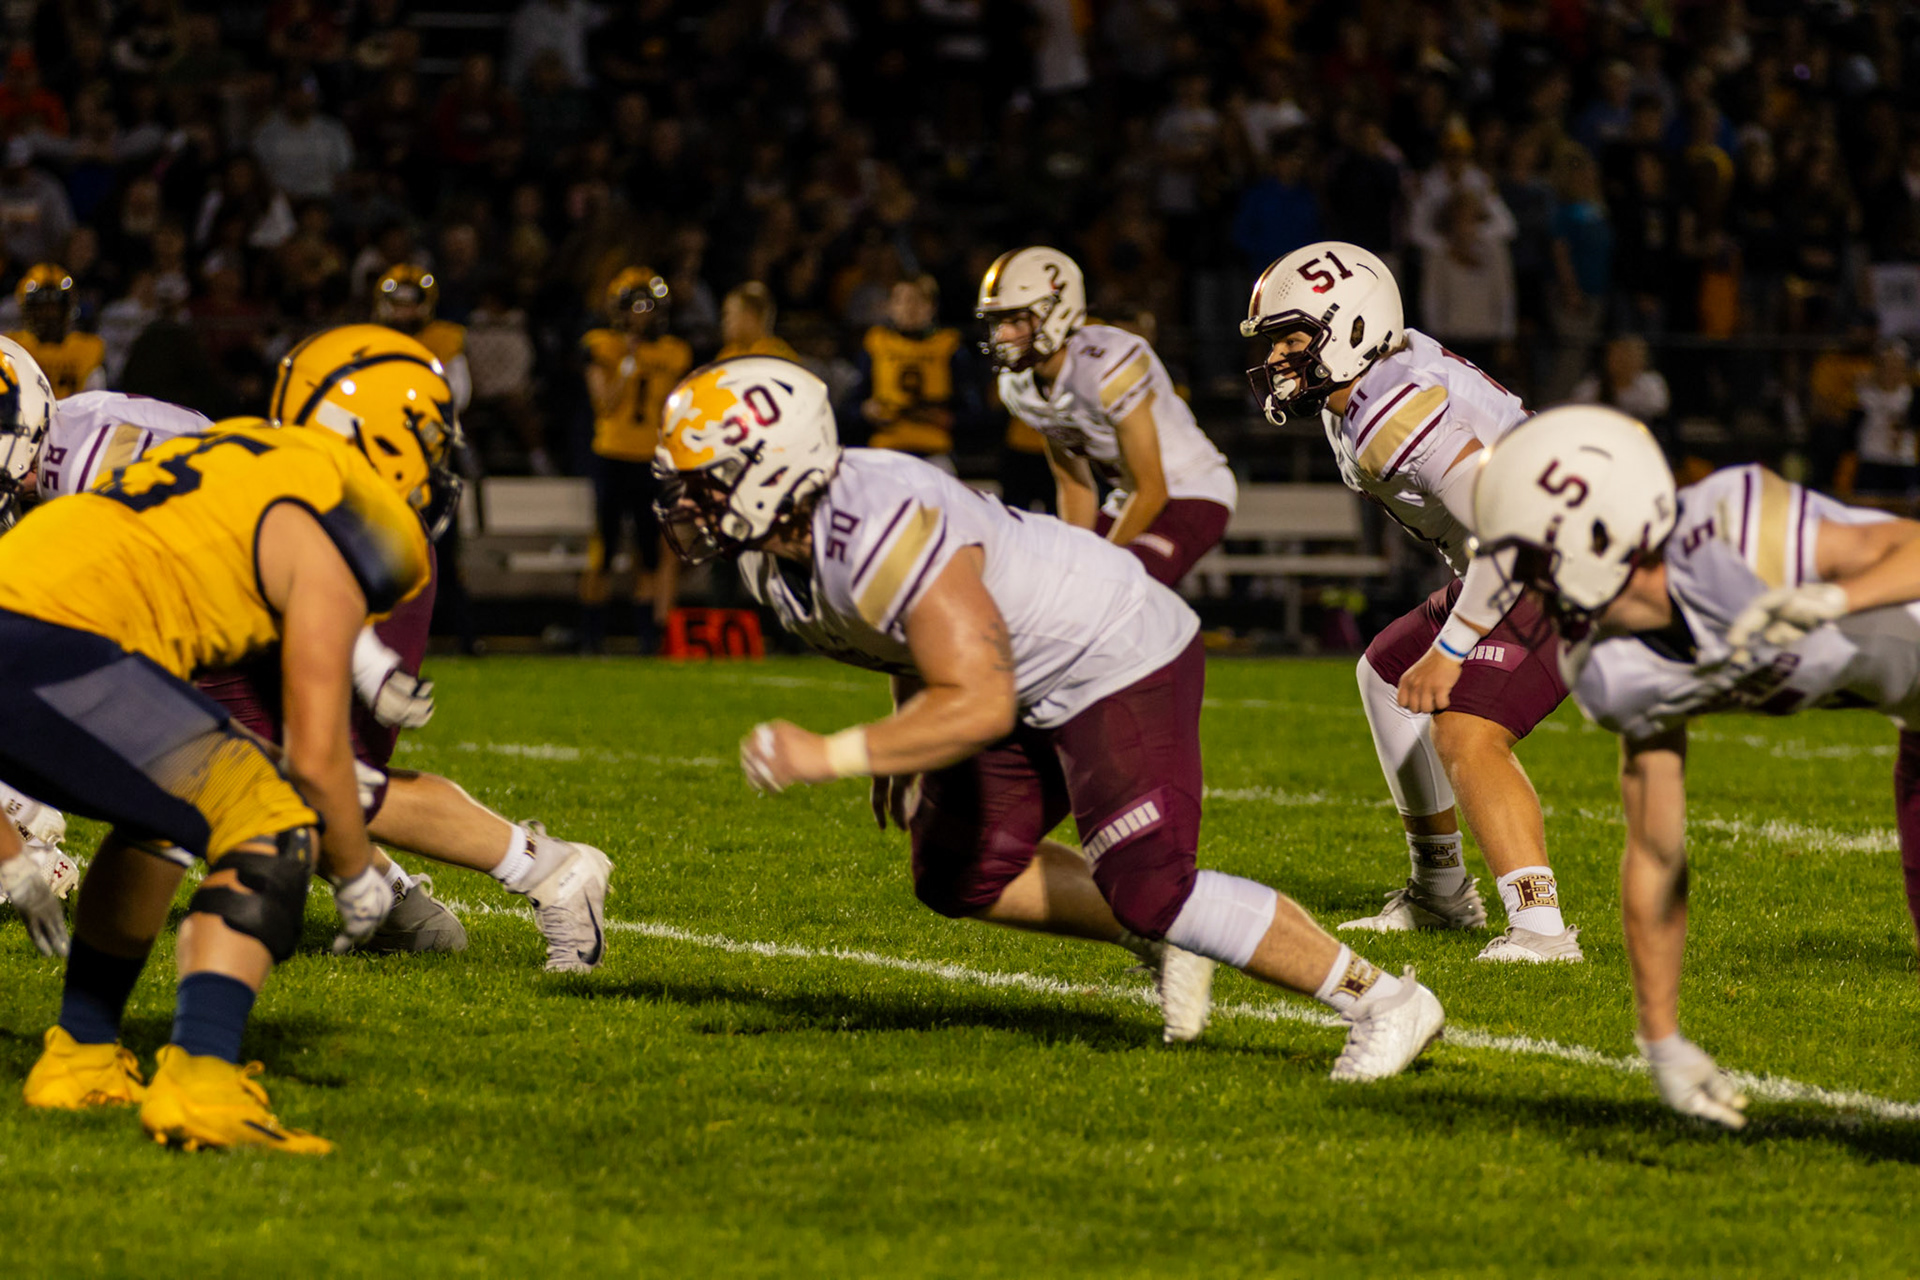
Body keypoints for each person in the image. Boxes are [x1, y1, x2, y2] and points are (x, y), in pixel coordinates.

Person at [653, 355, 1445, 1078]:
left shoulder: (881, 525)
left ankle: (1383, 1000)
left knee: (1153, 885)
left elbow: (976, 698)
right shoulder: (773, 556)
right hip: (1013, 672)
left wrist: (835, 753)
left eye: (707, 480)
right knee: (959, 872)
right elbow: (908, 639)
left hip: (1110, 648)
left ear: (775, 469)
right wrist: (902, 737)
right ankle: (1162, 940)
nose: (688, 501)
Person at [0, 335, 611, 972]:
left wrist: (360, 655)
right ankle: (401, 906)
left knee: (306, 775)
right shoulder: (63, 447)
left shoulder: (94, 458)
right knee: (222, 772)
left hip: (344, 554)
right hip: (258, 582)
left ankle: (550, 871)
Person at [0, 323, 453, 1152]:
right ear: (389, 441)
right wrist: (358, 874)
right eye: (431, 438)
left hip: (29, 622)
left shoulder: (231, 453)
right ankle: (203, 1082)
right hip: (63, 644)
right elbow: (317, 757)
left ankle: (80, 1058)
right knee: (270, 815)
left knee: (157, 822)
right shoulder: (344, 509)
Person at [1469, 403, 1920, 1127]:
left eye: (1532, 558)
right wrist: (1661, 1038)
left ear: (1599, 533)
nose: (1525, 583)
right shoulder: (1611, 669)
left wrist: (1835, 597)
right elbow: (1656, 848)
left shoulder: (1736, 529)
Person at [1244, 240, 1582, 962]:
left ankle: (1542, 930)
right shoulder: (1359, 391)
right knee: (1383, 673)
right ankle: (1440, 891)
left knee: (1466, 730)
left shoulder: (1397, 412)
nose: (1277, 359)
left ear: (1354, 329)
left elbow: (1513, 535)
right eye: (1275, 343)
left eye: (1293, 341)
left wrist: (1451, 650)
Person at [976, 247, 1236, 588]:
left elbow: (1153, 488)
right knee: (1057, 585)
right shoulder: (1019, 387)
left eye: (1015, 320)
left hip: (1193, 489)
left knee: (1115, 589)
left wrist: (1097, 567)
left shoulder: (1106, 365)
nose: (1002, 335)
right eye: (998, 322)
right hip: (1129, 498)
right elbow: (1075, 485)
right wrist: (1073, 561)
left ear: (1056, 311)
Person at [579, 266, 692, 653]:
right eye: (635, 307)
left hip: (651, 458)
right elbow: (604, 403)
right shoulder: (602, 345)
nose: (641, 315)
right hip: (611, 454)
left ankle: (647, 639)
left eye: (648, 307)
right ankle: (592, 637)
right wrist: (627, 364)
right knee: (603, 551)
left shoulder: (674, 351)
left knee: (649, 553)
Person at [858, 275, 965, 471]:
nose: (910, 308)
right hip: (886, 450)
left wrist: (950, 419)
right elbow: (852, 404)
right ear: (889, 306)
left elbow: (974, 409)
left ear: (932, 307)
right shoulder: (876, 344)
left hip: (934, 452)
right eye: (902, 300)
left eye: (919, 300)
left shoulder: (949, 347)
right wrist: (866, 410)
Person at [372, 264, 473, 413]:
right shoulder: (374, 338)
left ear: (424, 306)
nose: (404, 311)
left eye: (410, 304)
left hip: (430, 415)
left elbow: (459, 392)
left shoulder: (443, 337)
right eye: (398, 304)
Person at [6, 264, 106, 397]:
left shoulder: (87, 350)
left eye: (55, 308)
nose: (49, 315)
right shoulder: (10, 349)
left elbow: (95, 401)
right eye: (41, 309)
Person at [715, 281, 798, 360]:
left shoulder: (778, 358)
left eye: (729, 315)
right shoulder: (728, 353)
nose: (725, 322)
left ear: (750, 317)